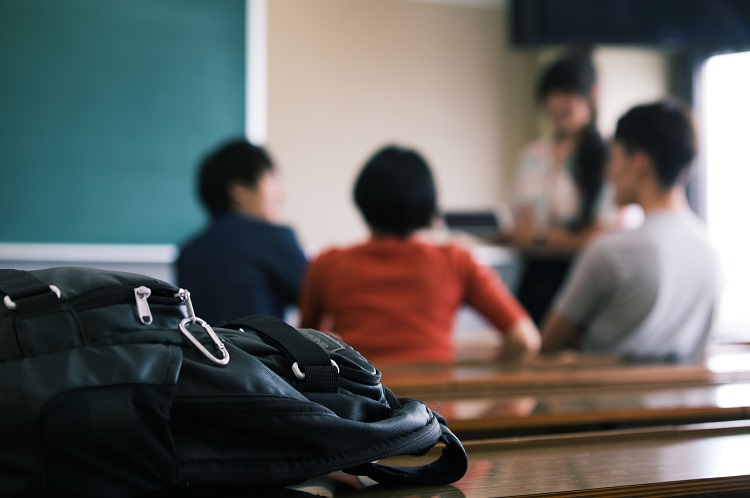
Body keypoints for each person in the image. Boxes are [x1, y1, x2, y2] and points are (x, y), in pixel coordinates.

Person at [298, 145, 541, 364]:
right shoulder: (456, 260)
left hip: (360, 409)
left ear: (363, 199)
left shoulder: (327, 264)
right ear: (427, 204)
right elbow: (525, 339)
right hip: (434, 412)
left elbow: (300, 347)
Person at [542, 100, 722, 363]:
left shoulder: (610, 250)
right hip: (688, 402)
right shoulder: (709, 251)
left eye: (614, 158)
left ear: (639, 164)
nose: (609, 173)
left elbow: (548, 343)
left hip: (606, 403)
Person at [505, 52, 610, 326]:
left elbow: (601, 235)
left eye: (568, 93)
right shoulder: (532, 155)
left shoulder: (607, 157)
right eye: (551, 95)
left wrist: (540, 238)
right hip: (532, 278)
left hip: (581, 280)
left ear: (591, 95)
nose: (557, 104)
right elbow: (517, 226)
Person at [177, 138, 307, 324]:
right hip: (257, 353)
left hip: (202, 353)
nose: (280, 193)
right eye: (271, 179)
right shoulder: (272, 238)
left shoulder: (188, 252)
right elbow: (318, 301)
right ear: (240, 190)